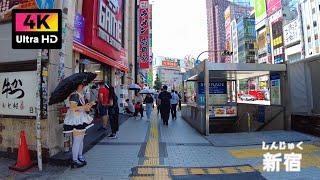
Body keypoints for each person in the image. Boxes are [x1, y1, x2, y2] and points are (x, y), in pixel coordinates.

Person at [63, 80, 94, 168]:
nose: (84, 86)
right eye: (82, 85)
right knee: (77, 140)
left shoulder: (80, 95)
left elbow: (80, 108)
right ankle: (75, 160)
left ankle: (79, 157)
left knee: (80, 140)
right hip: (76, 120)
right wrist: (84, 107)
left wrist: (88, 106)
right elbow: (73, 108)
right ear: (78, 86)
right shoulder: (75, 95)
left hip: (80, 118)